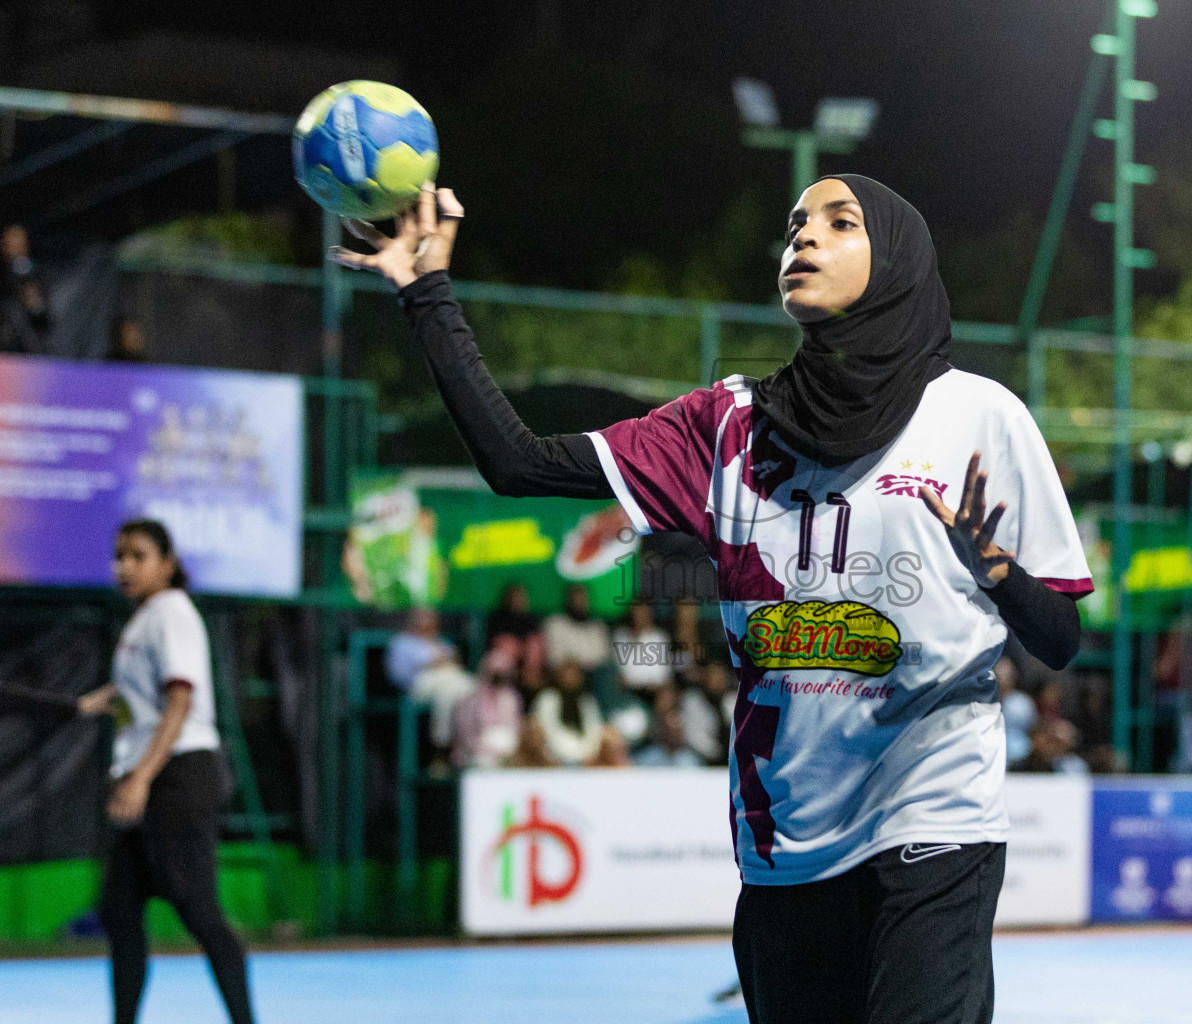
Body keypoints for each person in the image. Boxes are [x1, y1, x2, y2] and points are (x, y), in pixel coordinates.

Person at [334, 175, 1091, 1024]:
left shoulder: (979, 417)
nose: (803, 237)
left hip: (935, 816)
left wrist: (1001, 576)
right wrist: (426, 290)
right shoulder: (725, 427)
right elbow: (516, 463)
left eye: (839, 224)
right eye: (796, 223)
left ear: (901, 262)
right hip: (786, 850)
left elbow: (1060, 635)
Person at [71, 520, 256, 1024]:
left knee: (199, 912)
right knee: (119, 909)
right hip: (154, 775)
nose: (123, 566)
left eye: (137, 556)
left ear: (167, 564)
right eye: (119, 555)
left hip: (178, 777)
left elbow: (179, 701)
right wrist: (98, 701)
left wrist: (141, 778)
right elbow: (140, 691)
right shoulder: (144, 619)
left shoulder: (172, 612)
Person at [385, 607, 477, 762]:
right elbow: (397, 675)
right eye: (424, 618)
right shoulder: (402, 643)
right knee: (447, 691)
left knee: (472, 687)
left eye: (431, 619)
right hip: (417, 685)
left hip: (450, 679)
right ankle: (441, 749)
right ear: (414, 621)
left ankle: (469, 744)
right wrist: (431, 664)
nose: (428, 623)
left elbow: (455, 664)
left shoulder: (441, 642)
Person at [452, 643, 523, 770]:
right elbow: (465, 732)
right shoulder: (472, 698)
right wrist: (483, 749)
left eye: (501, 674)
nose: (497, 678)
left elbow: (514, 729)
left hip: (505, 753)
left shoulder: (511, 698)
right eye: (494, 673)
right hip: (476, 752)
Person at [531, 660, 607, 766]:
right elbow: (548, 730)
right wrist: (565, 752)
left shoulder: (586, 701)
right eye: (567, 675)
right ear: (559, 676)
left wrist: (588, 752)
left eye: (574, 675)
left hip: (585, 756)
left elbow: (594, 730)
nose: (571, 679)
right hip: (554, 756)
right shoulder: (548, 699)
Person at [484, 582, 545, 688]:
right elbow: (494, 644)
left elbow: (534, 643)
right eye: (514, 597)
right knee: (505, 650)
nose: (518, 600)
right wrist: (515, 647)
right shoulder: (496, 619)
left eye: (521, 597)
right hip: (505, 662)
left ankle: (530, 684)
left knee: (533, 646)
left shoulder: (530, 620)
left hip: (525, 662)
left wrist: (523, 650)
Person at [542, 583, 613, 672]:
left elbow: (602, 656)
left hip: (593, 672)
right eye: (575, 598)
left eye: (582, 598)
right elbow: (555, 656)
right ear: (568, 600)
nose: (578, 602)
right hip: (564, 671)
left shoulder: (598, 627)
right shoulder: (555, 623)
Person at [1, 224, 48, 354]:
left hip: (30, 347)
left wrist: (34, 302)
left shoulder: (36, 273)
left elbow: (42, 312)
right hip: (6, 346)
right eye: (10, 242)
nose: (15, 247)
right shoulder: (4, 274)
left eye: (19, 242)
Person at [612, 600, 674, 695]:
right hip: (627, 692)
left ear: (650, 614)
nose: (640, 617)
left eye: (644, 613)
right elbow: (619, 672)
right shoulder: (620, 636)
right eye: (637, 612)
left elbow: (663, 676)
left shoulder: (660, 637)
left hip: (654, 692)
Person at [634, 690, 705, 767]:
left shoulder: (692, 760)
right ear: (664, 730)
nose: (674, 735)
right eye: (671, 731)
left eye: (677, 731)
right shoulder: (647, 758)